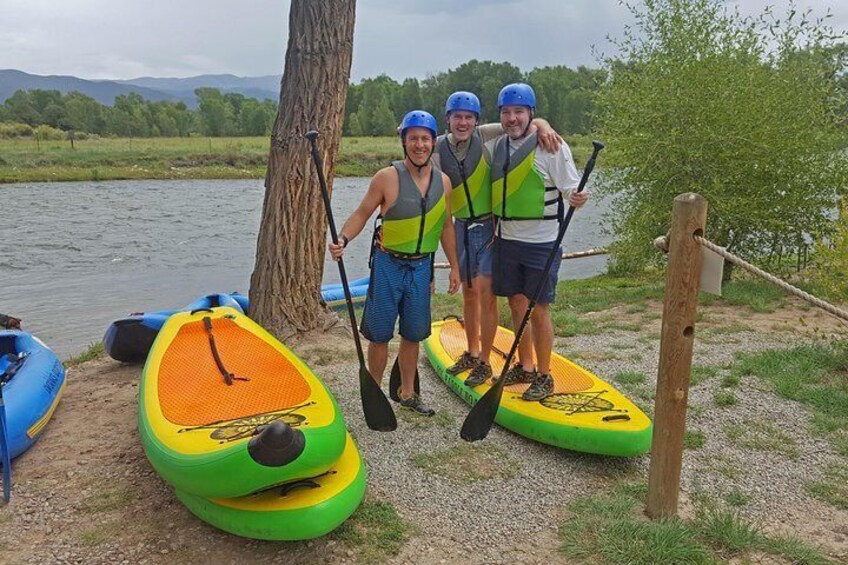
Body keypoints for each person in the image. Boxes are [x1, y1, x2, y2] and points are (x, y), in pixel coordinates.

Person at [329, 110, 461, 416]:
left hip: (420, 267)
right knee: (380, 334)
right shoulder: (386, 177)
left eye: (425, 139)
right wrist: (343, 239)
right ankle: (374, 393)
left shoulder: (444, 182)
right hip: (388, 265)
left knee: (414, 334)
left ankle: (407, 393)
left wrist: (455, 267)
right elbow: (362, 213)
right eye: (413, 138)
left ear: (433, 143)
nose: (419, 145)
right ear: (404, 142)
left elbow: (446, 227)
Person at [430, 90, 564, 389]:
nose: (462, 123)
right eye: (456, 117)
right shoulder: (438, 146)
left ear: (476, 120)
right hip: (462, 227)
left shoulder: (488, 134)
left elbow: (524, 123)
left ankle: (486, 362)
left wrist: (544, 124)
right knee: (469, 295)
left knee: (486, 294)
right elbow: (417, 155)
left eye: (468, 117)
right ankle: (472, 351)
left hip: (489, 228)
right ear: (447, 119)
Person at [484, 83, 588, 401]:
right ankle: (525, 365)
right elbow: (465, 130)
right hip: (506, 239)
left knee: (539, 309)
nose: (512, 118)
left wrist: (578, 197)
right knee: (515, 303)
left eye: (519, 112)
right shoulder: (497, 143)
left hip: (542, 242)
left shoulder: (552, 147)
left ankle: (544, 374)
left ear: (531, 113)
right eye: (506, 112)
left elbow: (572, 188)